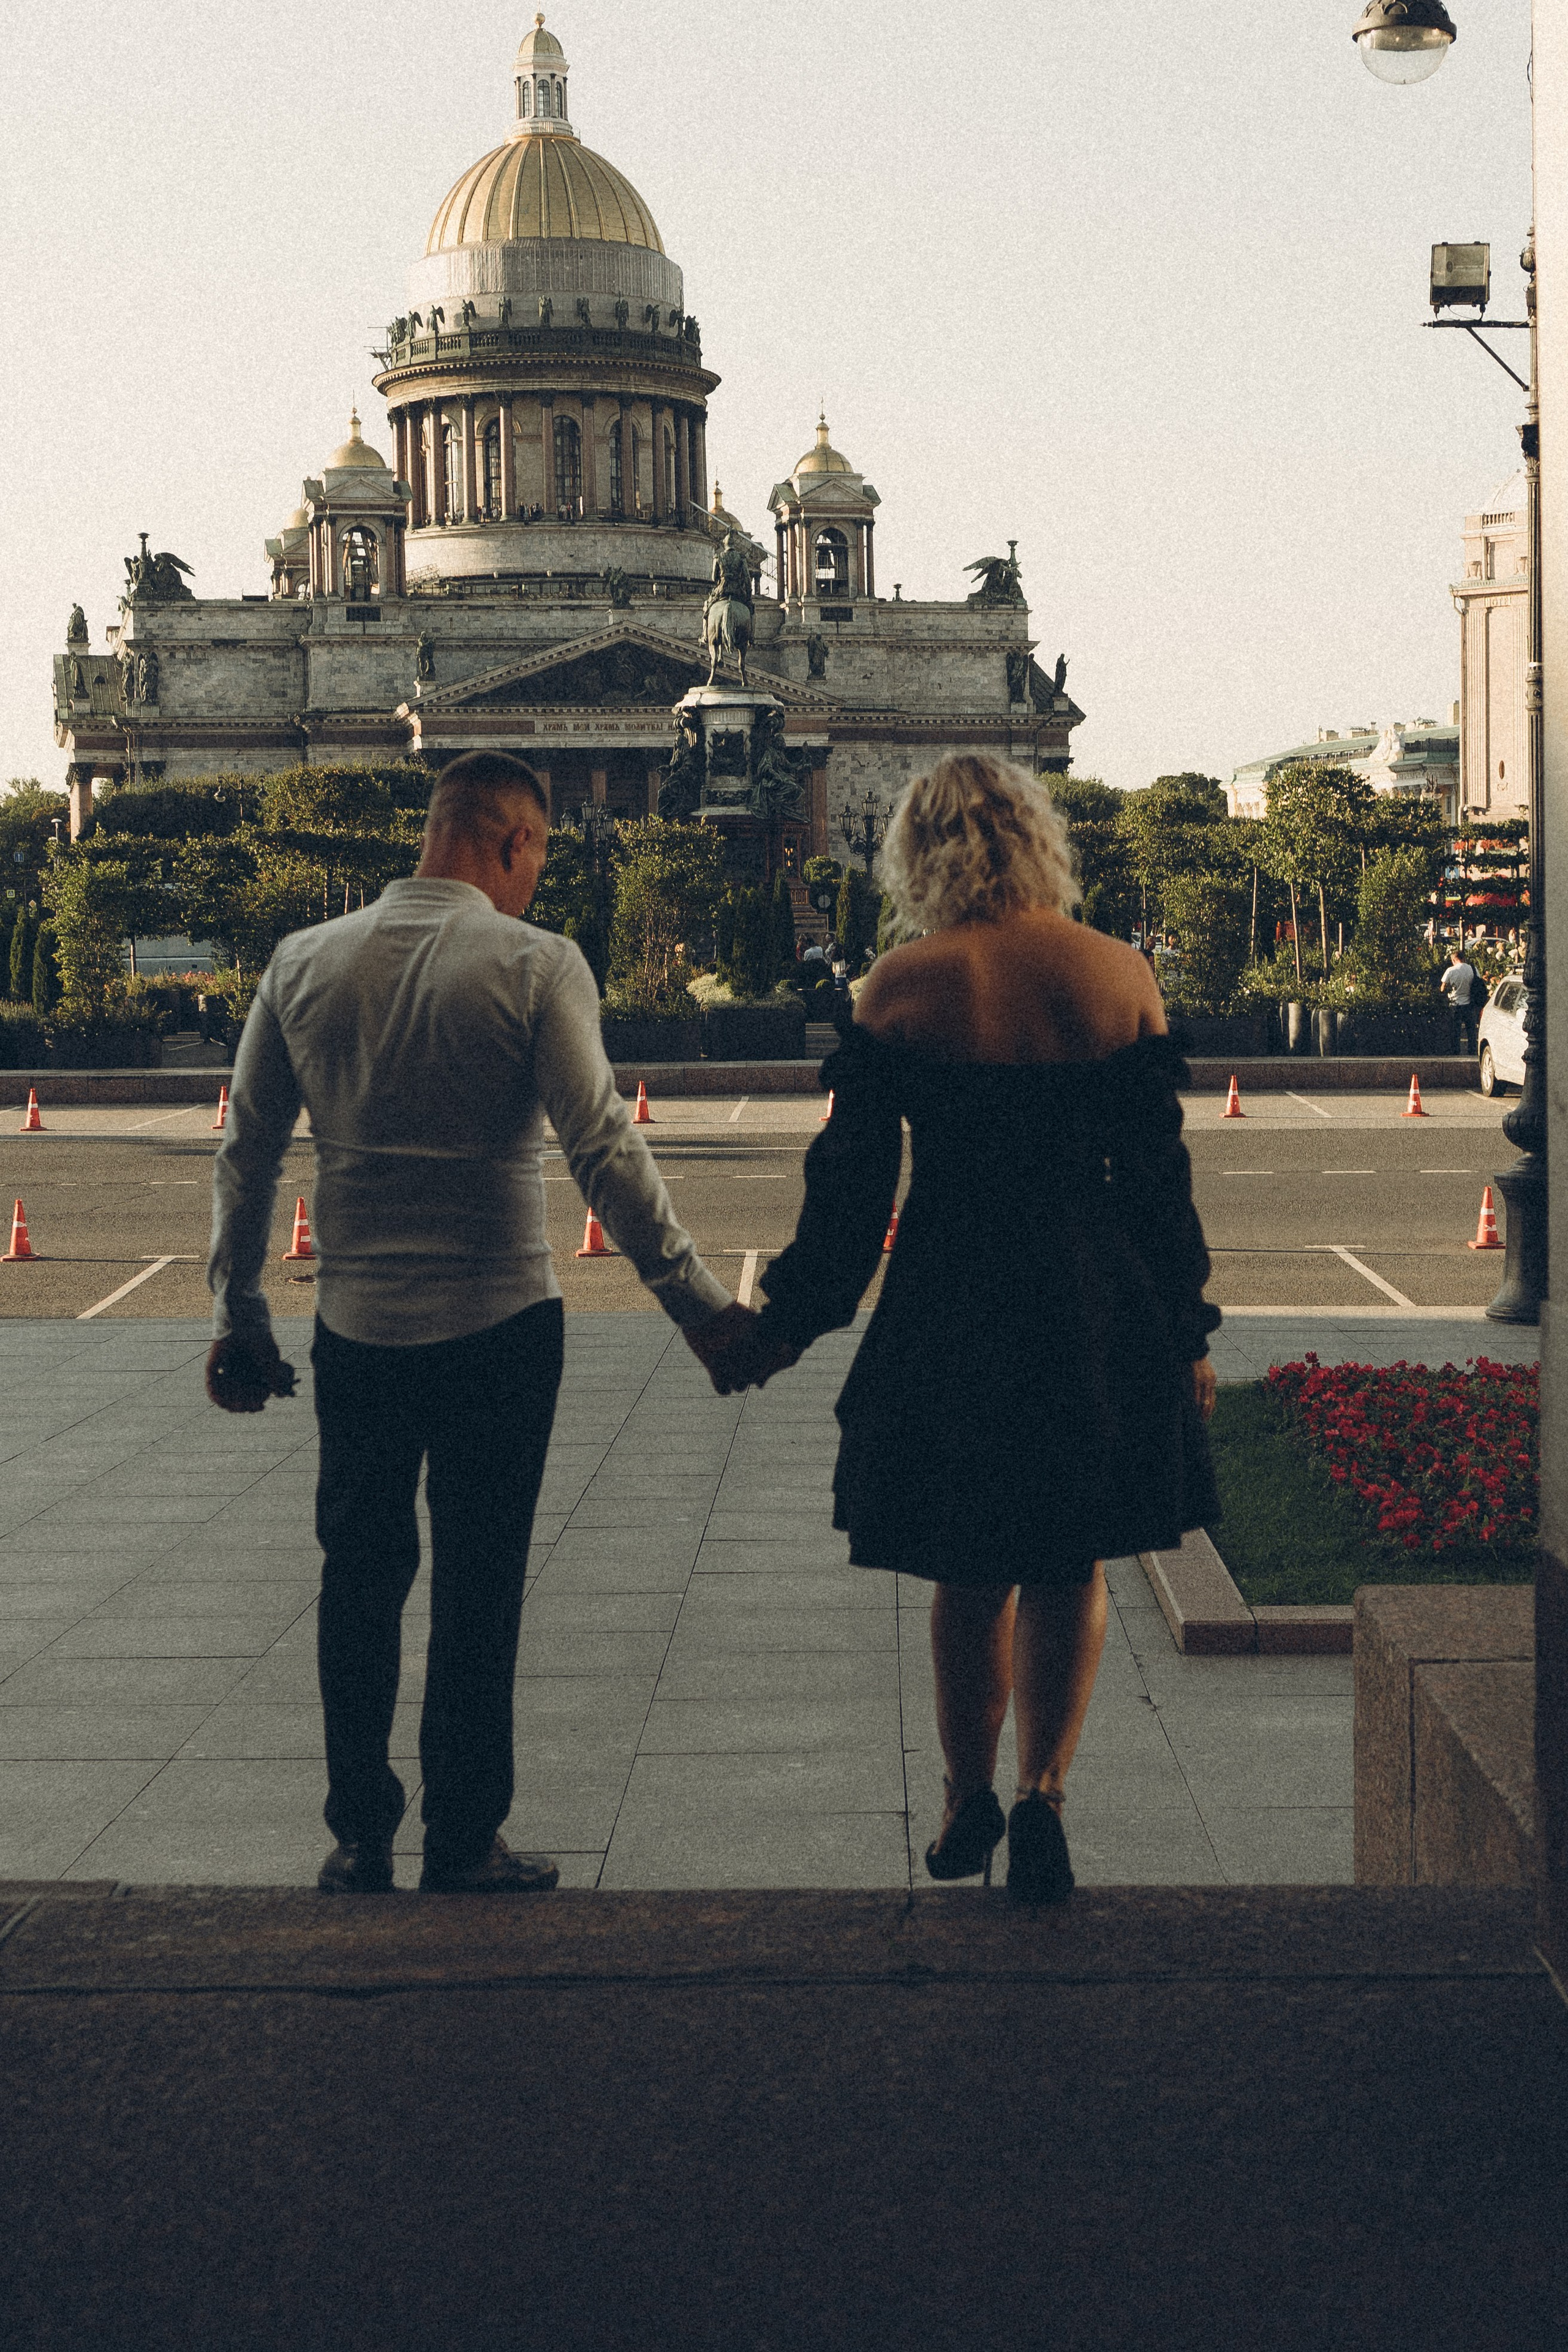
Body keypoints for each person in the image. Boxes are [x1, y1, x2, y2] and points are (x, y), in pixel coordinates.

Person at [205, 752, 748, 1896]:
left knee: (357, 1579)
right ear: (514, 843)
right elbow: (603, 1148)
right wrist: (697, 1307)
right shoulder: (535, 963)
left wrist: (239, 1308)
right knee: (479, 1587)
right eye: (538, 859)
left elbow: (247, 1152)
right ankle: (464, 1837)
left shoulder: (303, 960)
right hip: (501, 1319)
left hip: (354, 1324)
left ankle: (360, 1834)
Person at [702, 753, 1220, 1904]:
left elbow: (848, 1200)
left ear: (919, 853)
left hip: (953, 1297)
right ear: (1040, 841)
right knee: (1068, 1558)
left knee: (969, 1563)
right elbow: (1158, 1188)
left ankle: (963, 1793)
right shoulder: (1119, 976)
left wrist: (777, 1330)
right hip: (1093, 1300)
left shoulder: (902, 986)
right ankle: (1045, 1792)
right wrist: (1187, 1336)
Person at [1440, 944, 1482, 1052]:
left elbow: (1443, 988)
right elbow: (1478, 983)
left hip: (1455, 1004)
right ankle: (1472, 1051)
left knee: (1456, 1032)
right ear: (1464, 958)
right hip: (1470, 1004)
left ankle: (1456, 1052)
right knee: (1471, 1031)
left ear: (1454, 960)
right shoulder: (1473, 969)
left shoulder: (1450, 971)